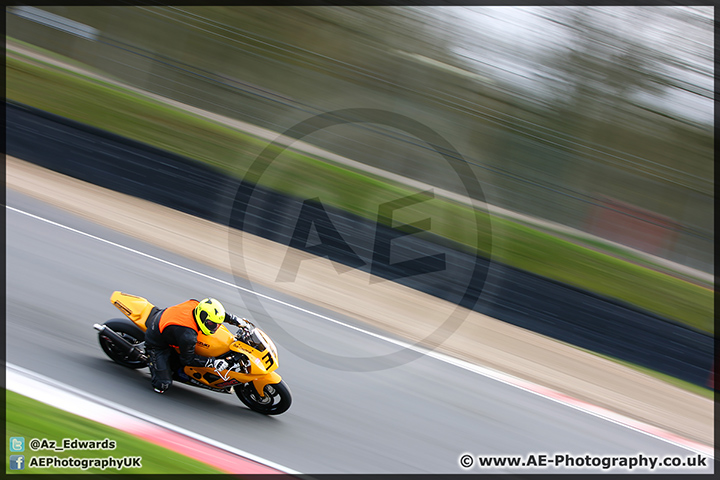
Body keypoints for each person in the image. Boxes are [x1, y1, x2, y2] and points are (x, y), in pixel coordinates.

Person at [144, 297, 250, 394]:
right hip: (157, 341)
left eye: (217, 324)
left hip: (167, 320)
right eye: (212, 324)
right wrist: (213, 362)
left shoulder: (197, 305)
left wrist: (235, 320)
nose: (215, 327)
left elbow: (215, 314)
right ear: (202, 317)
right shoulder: (188, 335)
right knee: (162, 385)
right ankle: (150, 359)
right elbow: (187, 360)